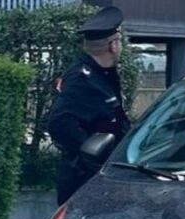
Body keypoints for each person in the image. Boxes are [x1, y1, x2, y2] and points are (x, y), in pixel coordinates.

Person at [48, 6, 131, 206]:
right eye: (119, 41)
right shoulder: (81, 78)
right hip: (84, 182)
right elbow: (59, 123)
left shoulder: (102, 75)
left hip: (107, 179)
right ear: (113, 46)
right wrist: (91, 156)